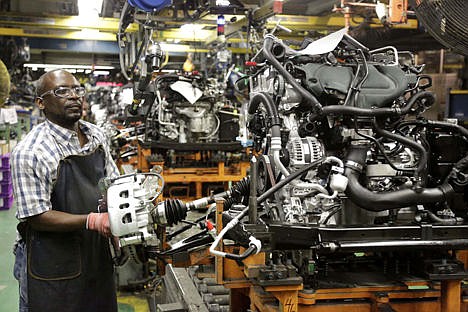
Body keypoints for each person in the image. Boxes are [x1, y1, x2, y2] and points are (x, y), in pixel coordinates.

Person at [11, 69, 119, 312]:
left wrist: (118, 229)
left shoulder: (96, 136)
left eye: (77, 90)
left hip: (94, 252)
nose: (74, 96)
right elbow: (36, 216)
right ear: (41, 103)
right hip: (50, 261)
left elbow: (110, 183)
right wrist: (93, 220)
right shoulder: (31, 151)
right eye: (62, 91)